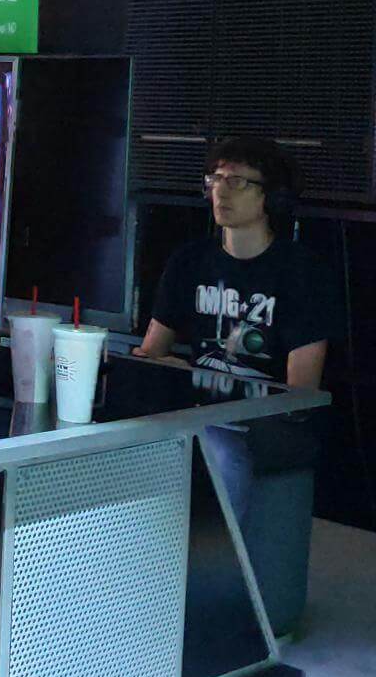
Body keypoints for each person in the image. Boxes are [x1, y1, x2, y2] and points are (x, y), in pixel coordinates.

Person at [135, 136, 336, 521]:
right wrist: (164, 370)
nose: (220, 191)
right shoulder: (189, 261)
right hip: (195, 415)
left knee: (222, 455)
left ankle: (212, 558)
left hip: (263, 428)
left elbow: (299, 396)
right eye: (215, 179)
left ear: (270, 197)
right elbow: (151, 353)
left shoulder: (302, 273)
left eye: (237, 181)